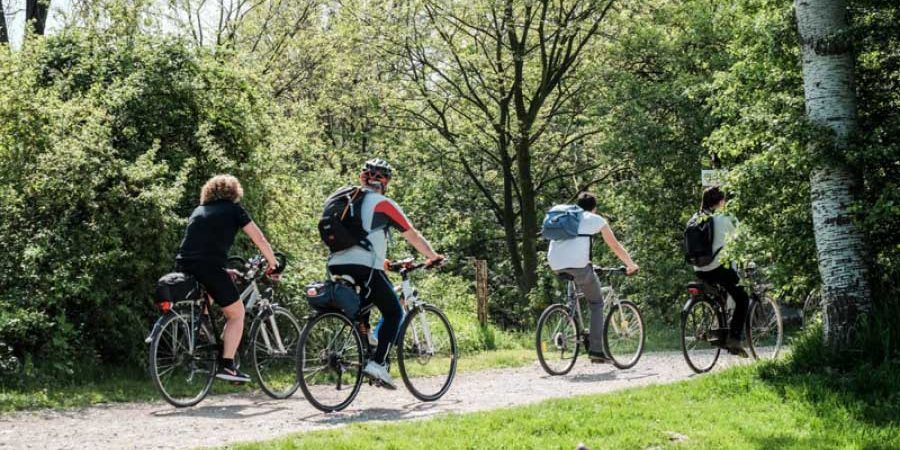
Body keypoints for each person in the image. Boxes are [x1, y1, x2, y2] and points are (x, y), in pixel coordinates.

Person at [327, 158, 444, 389]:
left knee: (364, 306)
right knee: (393, 312)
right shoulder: (382, 203)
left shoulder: (346, 200)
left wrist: (382, 261)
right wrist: (433, 256)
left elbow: (357, 236)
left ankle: (368, 344)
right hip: (365, 266)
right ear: (386, 181)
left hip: (335, 264)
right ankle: (378, 364)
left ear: (363, 178)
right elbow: (412, 235)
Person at [175, 174, 280, 382]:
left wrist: (224, 269)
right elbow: (259, 238)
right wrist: (273, 263)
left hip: (184, 264)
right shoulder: (234, 210)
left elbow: (202, 245)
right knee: (237, 314)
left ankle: (201, 322)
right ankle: (228, 366)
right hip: (210, 267)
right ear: (234, 192)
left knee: (216, 288)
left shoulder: (199, 210)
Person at [547, 192, 639, 363]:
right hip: (579, 266)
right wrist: (631, 265)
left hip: (555, 263)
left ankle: (569, 317)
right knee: (597, 303)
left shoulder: (566, 216)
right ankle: (596, 351)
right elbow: (615, 246)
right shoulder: (594, 219)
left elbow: (570, 245)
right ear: (594, 208)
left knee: (576, 285)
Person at [693, 186, 749, 357]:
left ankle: (719, 325)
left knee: (721, 294)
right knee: (743, 298)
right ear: (721, 201)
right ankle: (734, 338)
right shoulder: (725, 216)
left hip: (700, 269)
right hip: (719, 268)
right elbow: (742, 238)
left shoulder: (696, 217)